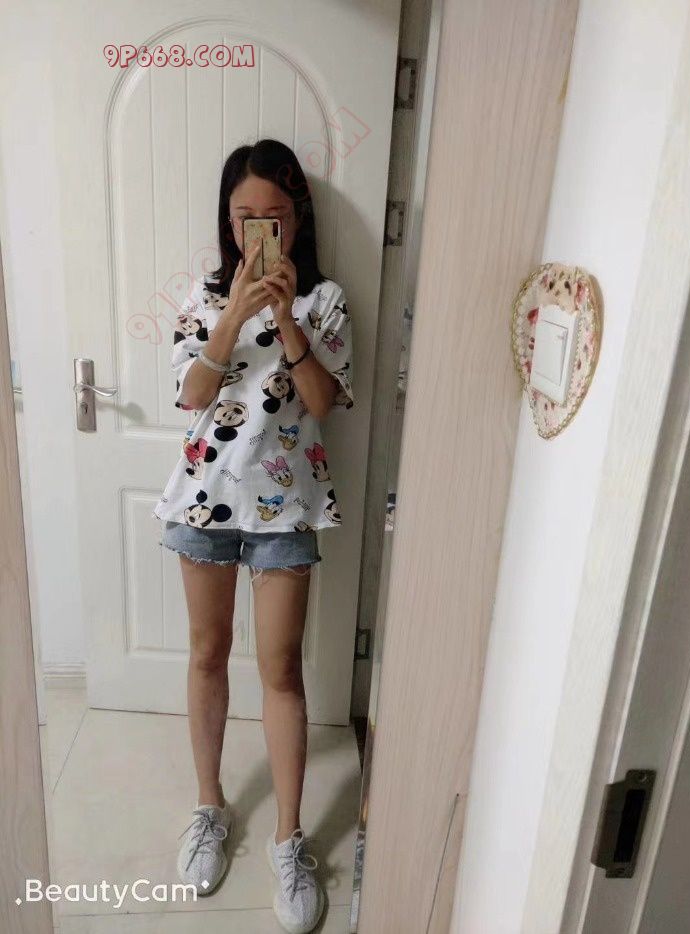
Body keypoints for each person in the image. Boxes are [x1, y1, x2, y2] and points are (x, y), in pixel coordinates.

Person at [151, 138, 354, 933]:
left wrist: (285, 318)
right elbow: (191, 394)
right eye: (245, 217)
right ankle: (210, 808)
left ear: (297, 219)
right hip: (205, 499)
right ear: (228, 220)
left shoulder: (325, 299)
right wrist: (235, 313)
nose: (259, 230)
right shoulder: (201, 299)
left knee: (281, 672)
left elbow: (324, 403)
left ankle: (289, 841)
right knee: (206, 653)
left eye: (274, 216)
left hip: (288, 508)